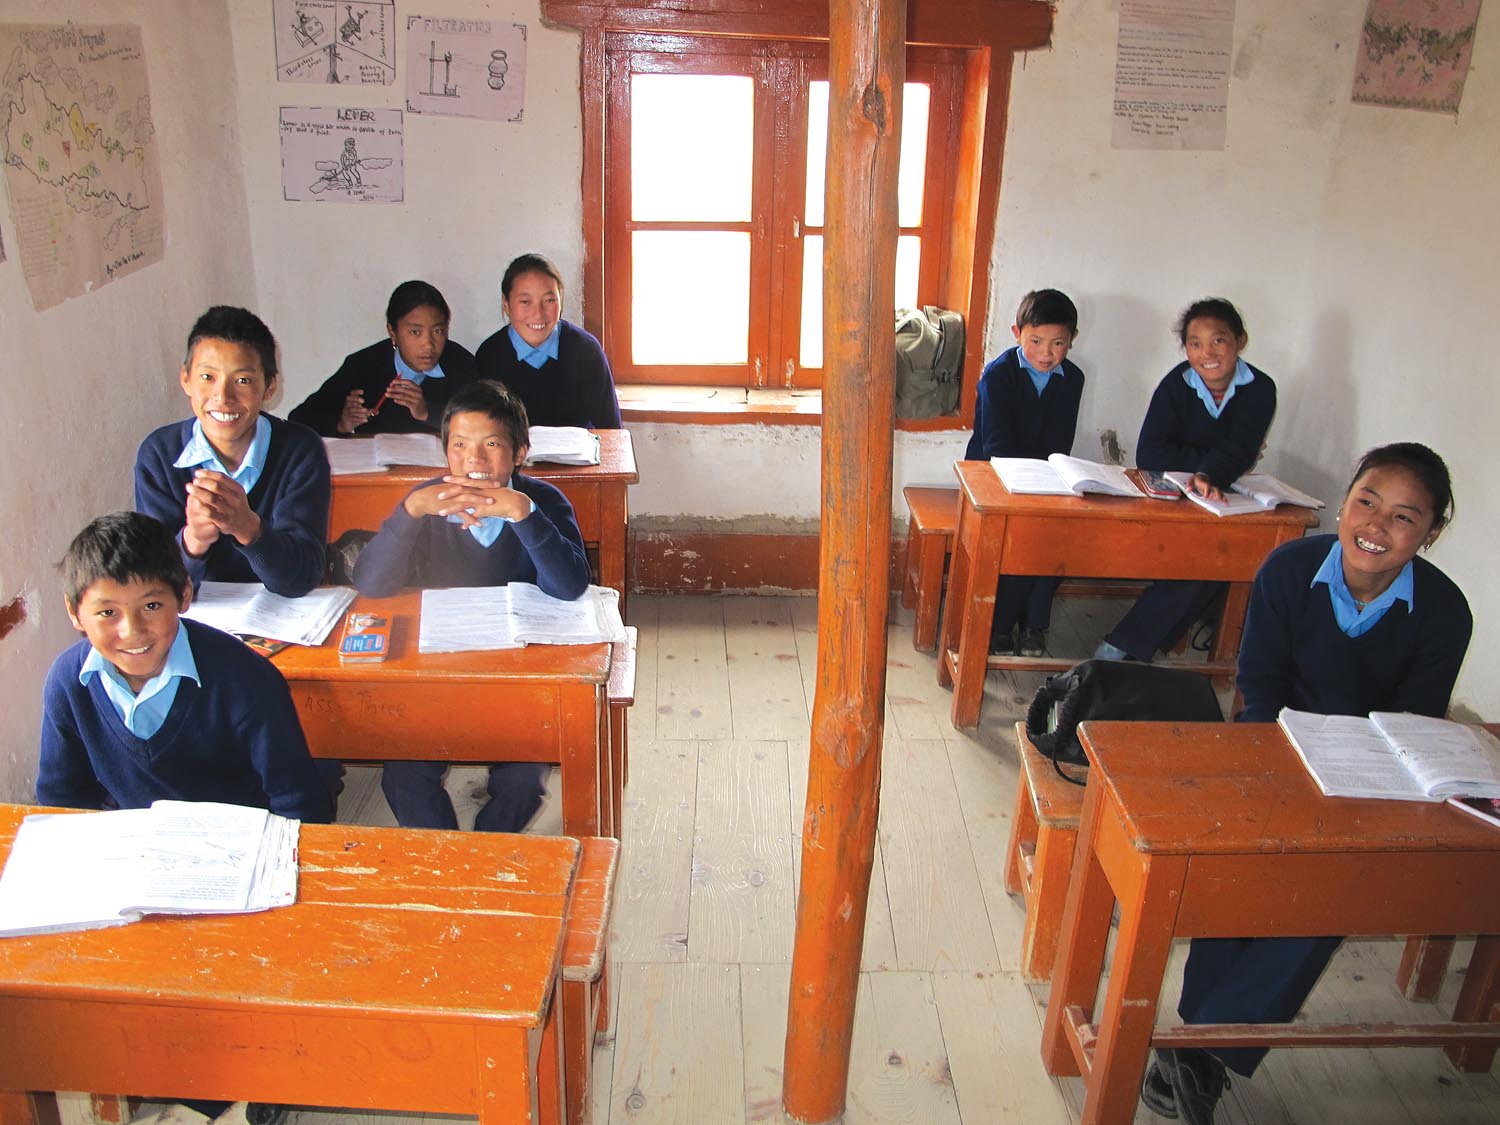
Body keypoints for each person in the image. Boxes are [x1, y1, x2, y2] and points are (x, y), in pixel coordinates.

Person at [1142, 442, 1471, 1125]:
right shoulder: (1289, 570)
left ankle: (1200, 1046)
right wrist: (1282, 760)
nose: (1377, 525)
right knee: (1240, 867)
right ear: (1347, 499)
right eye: (1367, 502)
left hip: (1369, 774)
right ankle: (1207, 1047)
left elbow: (1413, 721)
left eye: (1405, 517)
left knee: (1338, 881)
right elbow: (1258, 683)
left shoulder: (1444, 612)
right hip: (1272, 751)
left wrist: (1351, 775)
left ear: (1431, 533)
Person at [353, 380, 592, 833]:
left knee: (524, 781)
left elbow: (569, 587)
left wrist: (524, 516)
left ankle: (488, 845)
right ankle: (450, 855)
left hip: (520, 675)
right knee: (404, 775)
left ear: (520, 452)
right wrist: (409, 513)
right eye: (460, 445)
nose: (474, 461)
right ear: (445, 452)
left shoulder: (540, 503)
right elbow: (371, 583)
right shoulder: (427, 502)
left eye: (492, 445)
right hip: (439, 671)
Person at [1097, 298, 1276, 662]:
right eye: (1195, 343)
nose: (1206, 353)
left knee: (1216, 560)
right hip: (1167, 496)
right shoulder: (1176, 385)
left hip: (1219, 500)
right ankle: (1126, 649)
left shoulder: (1260, 388)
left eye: (1218, 341)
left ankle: (1120, 649)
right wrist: (1209, 468)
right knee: (1199, 563)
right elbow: (1150, 454)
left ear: (1240, 340)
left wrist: (1212, 471)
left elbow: (1241, 447)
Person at [134, 306, 330, 598]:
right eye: (207, 377)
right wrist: (193, 540)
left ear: (269, 387)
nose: (223, 397)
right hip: (204, 622)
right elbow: (153, 590)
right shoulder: (160, 456)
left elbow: (303, 576)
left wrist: (249, 529)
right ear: (186, 379)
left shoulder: (299, 450)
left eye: (243, 381)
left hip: (285, 619)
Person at [965, 289, 1085, 656]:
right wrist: (1030, 482)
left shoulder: (1073, 378)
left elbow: (1060, 442)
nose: (1046, 354)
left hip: (1043, 478)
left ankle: (1034, 623)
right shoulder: (998, 374)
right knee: (1020, 539)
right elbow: (996, 444)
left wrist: (1048, 481)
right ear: (1016, 333)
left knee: (1057, 538)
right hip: (991, 476)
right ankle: (1001, 624)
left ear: (1071, 341)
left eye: (1058, 343)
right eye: (1035, 341)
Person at [288, 280, 479, 436]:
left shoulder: (461, 364)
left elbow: (485, 422)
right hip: (376, 476)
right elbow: (299, 419)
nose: (428, 344)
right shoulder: (363, 366)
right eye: (415, 332)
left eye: (438, 331)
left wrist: (427, 412)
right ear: (392, 332)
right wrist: (341, 424)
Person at [474, 253, 622, 429]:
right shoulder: (490, 355)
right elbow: (483, 434)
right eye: (525, 301)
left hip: (576, 455)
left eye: (549, 300)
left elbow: (611, 430)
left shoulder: (586, 351)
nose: (538, 313)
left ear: (561, 301)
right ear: (506, 304)